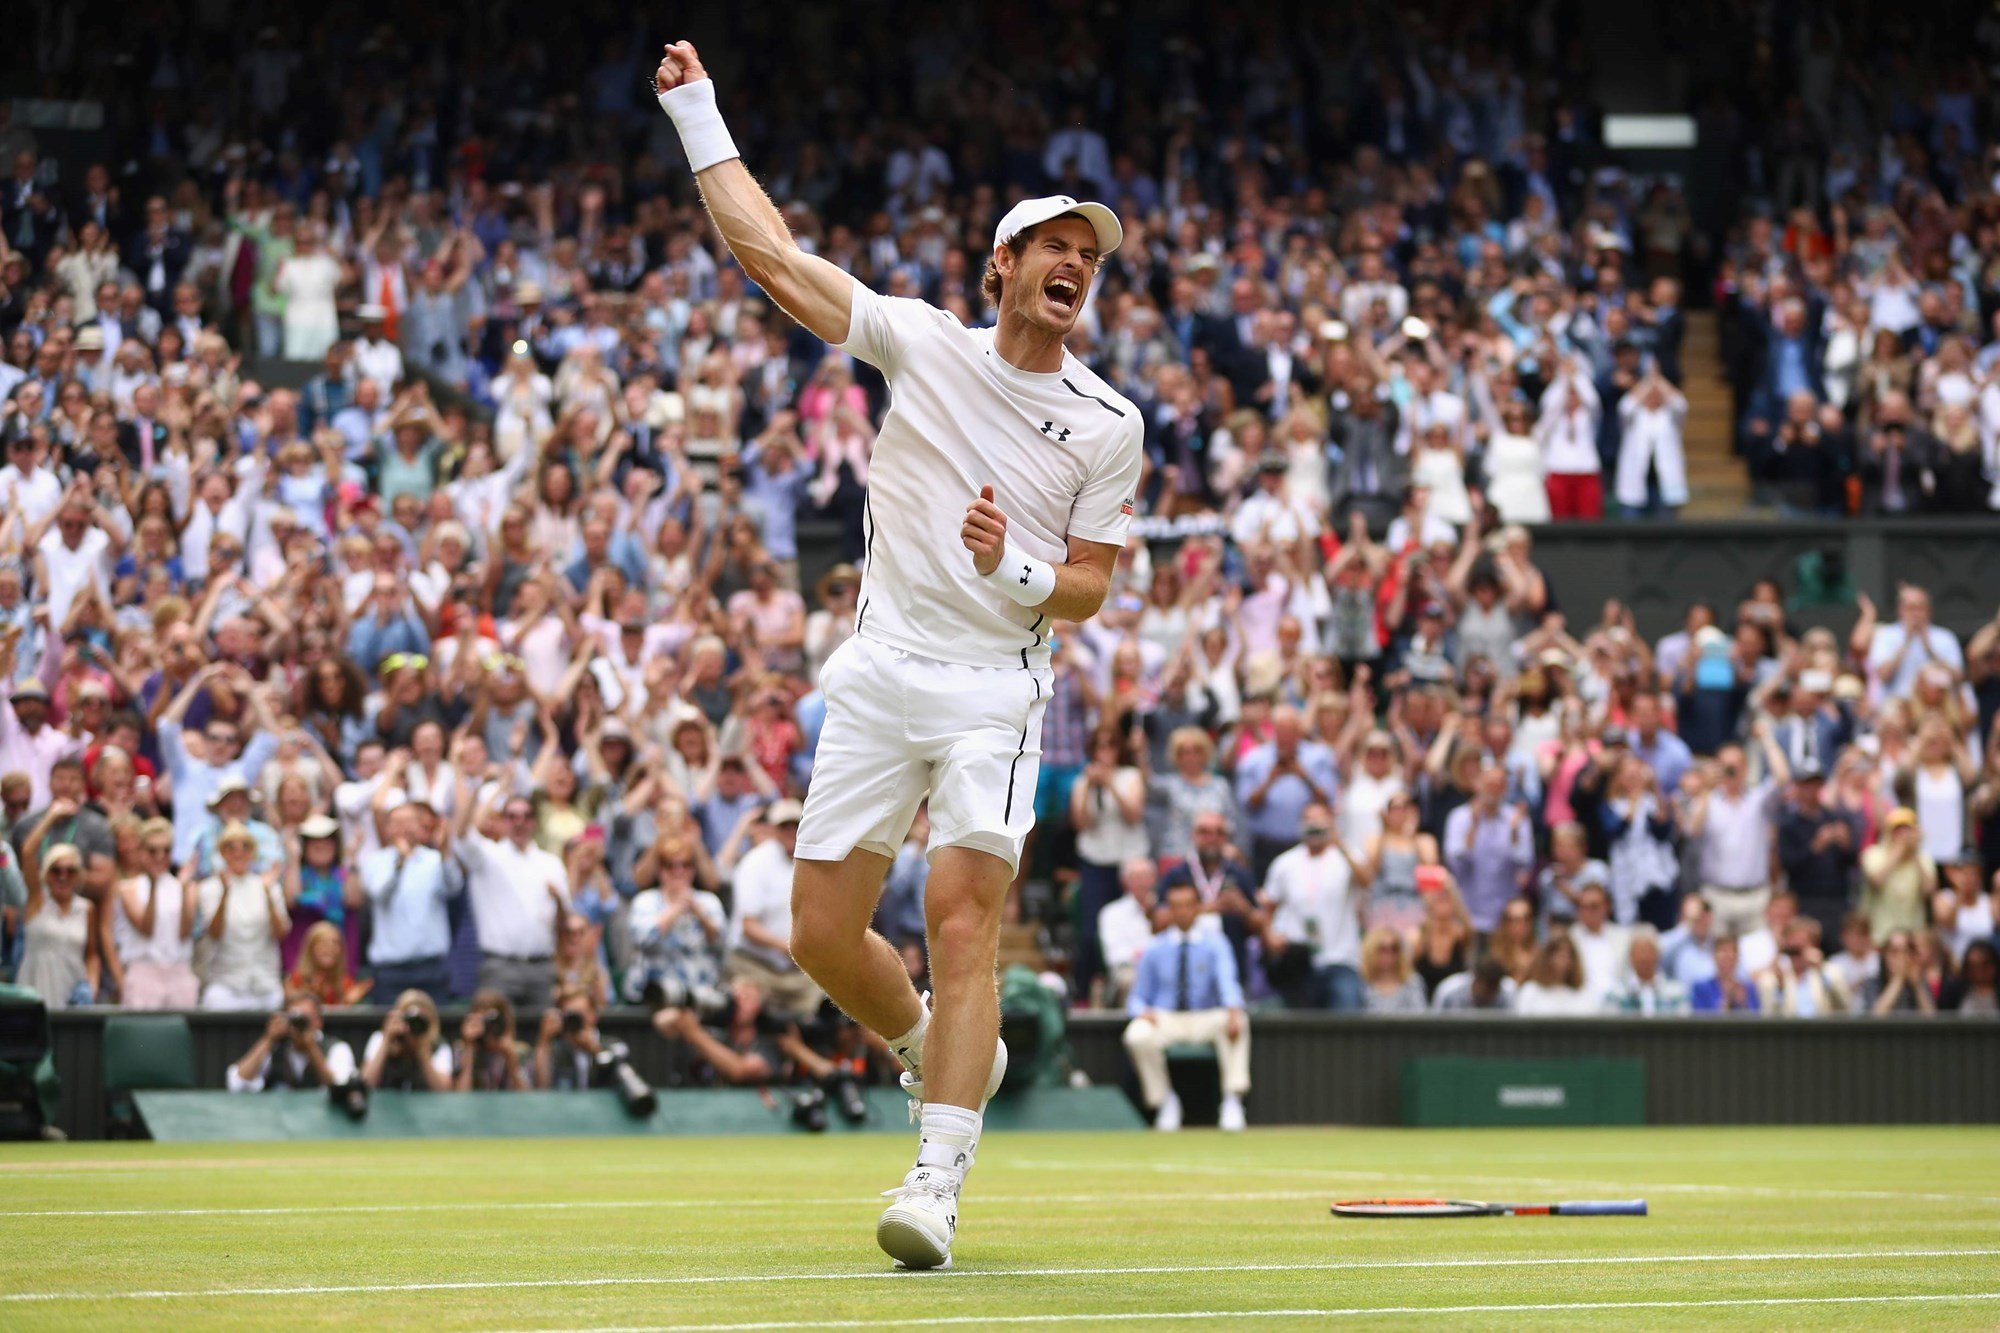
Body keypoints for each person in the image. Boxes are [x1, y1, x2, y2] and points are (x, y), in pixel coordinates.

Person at [656, 36, 1144, 1268]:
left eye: (1088, 260)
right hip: (881, 671)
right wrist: (700, 112)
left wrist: (1011, 570)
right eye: (1054, 251)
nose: (1073, 270)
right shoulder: (920, 340)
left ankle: (935, 1177)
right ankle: (933, 1047)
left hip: (995, 688)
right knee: (818, 933)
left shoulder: (1107, 423)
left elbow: (1087, 587)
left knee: (961, 918)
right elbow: (770, 259)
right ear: (1003, 265)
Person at [1120, 881, 1250, 1133]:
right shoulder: (1154, 948)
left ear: (1199, 908)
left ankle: (1233, 1100)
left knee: (1238, 1021)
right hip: (1167, 1019)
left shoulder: (1216, 943)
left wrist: (1233, 1009)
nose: (1182, 912)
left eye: (1188, 906)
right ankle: (1165, 1101)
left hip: (1205, 1017)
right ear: (1168, 909)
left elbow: (1228, 982)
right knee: (1136, 1034)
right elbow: (1137, 998)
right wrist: (1143, 1012)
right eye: (1176, 906)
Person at [453, 786, 569, 1010]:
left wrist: (560, 903)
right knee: (494, 1034)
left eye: (526, 817)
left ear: (534, 822)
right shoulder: (488, 856)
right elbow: (461, 833)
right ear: (503, 821)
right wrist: (477, 787)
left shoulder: (551, 863)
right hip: (499, 966)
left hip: (542, 966)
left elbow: (565, 922)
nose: (519, 822)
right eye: (512, 816)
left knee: (542, 1033)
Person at [1256, 802, 1365, 1010]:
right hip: (1299, 961)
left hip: (1341, 958)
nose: (1314, 826)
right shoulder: (1285, 862)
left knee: (1348, 1028)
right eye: (1309, 821)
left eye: (1320, 821)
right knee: (1301, 1033)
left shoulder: (1346, 855)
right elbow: (1267, 907)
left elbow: (1367, 880)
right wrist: (1269, 934)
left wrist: (1339, 842)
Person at [359, 798, 460, 1005]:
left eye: (409, 821)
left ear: (419, 826)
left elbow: (454, 887)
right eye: (397, 822)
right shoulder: (375, 861)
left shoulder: (434, 860)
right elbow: (379, 894)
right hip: (390, 970)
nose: (403, 828)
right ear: (386, 828)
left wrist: (445, 853)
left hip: (431, 967)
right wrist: (400, 863)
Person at [724, 800, 820, 1016]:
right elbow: (748, 926)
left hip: (798, 970)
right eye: (783, 827)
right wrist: (787, 947)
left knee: (833, 1004)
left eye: (795, 825)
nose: (790, 832)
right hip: (755, 964)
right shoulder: (755, 862)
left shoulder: (813, 862)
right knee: (746, 1002)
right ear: (773, 830)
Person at [193, 822, 289, 1011]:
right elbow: (214, 933)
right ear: (222, 852)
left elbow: (281, 933)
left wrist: (268, 893)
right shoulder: (209, 888)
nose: (238, 852)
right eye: (231, 847)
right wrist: (225, 895)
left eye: (245, 846)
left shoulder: (269, 885)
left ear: (253, 852)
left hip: (265, 984)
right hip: (226, 985)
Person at [112, 817, 198, 1008]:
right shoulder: (128, 889)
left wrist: (183, 891)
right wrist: (152, 886)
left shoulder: (187, 888)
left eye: (166, 851)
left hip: (179, 973)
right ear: (141, 852)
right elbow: (146, 929)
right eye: (152, 851)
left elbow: (184, 933)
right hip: (143, 973)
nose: (160, 857)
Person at [15, 842, 98, 1008]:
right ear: (45, 874)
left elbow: (91, 955)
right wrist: (52, 816)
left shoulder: (86, 908)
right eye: (56, 870)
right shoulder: (36, 901)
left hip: (72, 994)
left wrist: (91, 987)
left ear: (79, 875)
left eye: (71, 871)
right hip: (35, 990)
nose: (63, 876)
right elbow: (28, 851)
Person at [226, 991, 356, 1092]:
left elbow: (340, 1088)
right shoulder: (276, 1049)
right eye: (295, 1020)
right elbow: (237, 1083)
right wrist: (269, 1038)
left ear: (318, 1022)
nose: (299, 1026)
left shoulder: (336, 1048)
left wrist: (311, 1047)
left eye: (305, 1020)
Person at [360, 988, 455, 1090]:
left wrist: (422, 1051)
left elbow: (443, 1091)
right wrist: (387, 1041)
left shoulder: (439, 1046)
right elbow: (366, 1083)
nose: (413, 1027)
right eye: (409, 1021)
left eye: (420, 1022)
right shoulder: (380, 1038)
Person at [1095, 857, 1157, 1007]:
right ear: (1124, 882)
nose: (1141, 882)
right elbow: (1115, 956)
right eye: (1135, 877)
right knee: (1131, 979)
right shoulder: (1111, 913)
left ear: (1154, 878)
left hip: (1164, 966)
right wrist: (1148, 956)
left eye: (1145, 876)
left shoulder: (1167, 908)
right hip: (1129, 970)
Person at [1603, 927, 1690, 1014]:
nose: (1643, 957)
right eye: (1639, 952)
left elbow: (1684, 1024)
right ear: (1630, 956)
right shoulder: (1616, 994)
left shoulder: (1676, 993)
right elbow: (1609, 1026)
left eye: (1648, 951)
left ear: (1658, 954)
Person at [455, 990, 529, 1091]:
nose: (488, 1029)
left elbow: (527, 1098)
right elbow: (460, 1098)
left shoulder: (520, 1052)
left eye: (492, 1022)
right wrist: (469, 1047)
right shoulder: (461, 1050)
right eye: (483, 1022)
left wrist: (509, 1056)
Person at [1513, 934, 1594, 1015]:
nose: (1564, 960)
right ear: (1547, 957)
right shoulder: (1530, 991)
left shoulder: (1581, 993)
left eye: (1568, 955)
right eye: (1559, 954)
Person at [1358, 926, 1427, 1013]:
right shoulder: (1361, 985)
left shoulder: (1412, 982)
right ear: (1371, 951)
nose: (1389, 955)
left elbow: (1420, 1016)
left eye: (1394, 949)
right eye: (1382, 949)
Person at [1689, 935, 1761, 1013]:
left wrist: (1743, 1003)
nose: (1727, 957)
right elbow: (1699, 1019)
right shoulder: (1702, 988)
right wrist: (1726, 1001)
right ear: (1714, 957)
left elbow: (1756, 1017)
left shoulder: (1748, 988)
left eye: (1731, 952)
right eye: (1723, 952)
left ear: (1737, 958)